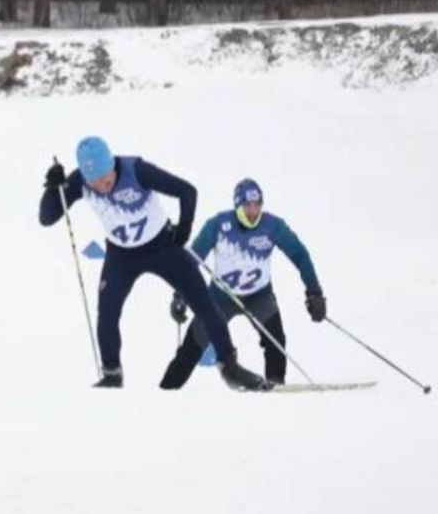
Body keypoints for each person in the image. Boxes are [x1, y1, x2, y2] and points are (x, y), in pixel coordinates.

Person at [39, 137, 270, 391]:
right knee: (107, 314)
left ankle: (230, 368)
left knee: (205, 303)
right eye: (95, 183)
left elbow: (187, 191)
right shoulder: (80, 181)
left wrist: (184, 229)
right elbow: (47, 217)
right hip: (121, 256)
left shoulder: (135, 170)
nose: (103, 187)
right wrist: (53, 188)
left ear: (111, 165)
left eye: (106, 179)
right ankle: (112, 375)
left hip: (162, 247)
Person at [160, 178, 325, 389]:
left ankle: (276, 388)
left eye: (257, 205)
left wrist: (314, 292)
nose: (253, 211)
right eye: (248, 205)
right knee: (192, 347)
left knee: (275, 341)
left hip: (259, 296)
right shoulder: (218, 225)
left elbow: (299, 255)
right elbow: (192, 259)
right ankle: (166, 391)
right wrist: (179, 296)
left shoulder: (273, 227)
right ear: (238, 206)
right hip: (221, 297)